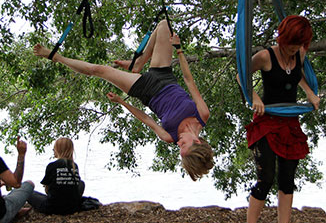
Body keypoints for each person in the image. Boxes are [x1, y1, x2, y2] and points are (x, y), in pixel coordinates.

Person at [33, 19, 213, 180]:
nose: (179, 143)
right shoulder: (202, 115)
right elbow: (189, 81)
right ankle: (139, 63)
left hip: (145, 88)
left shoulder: (170, 136)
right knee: (164, 24)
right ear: (196, 142)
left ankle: (55, 56)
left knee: (99, 70)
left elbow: (146, 118)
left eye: (179, 148)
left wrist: (122, 102)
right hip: (164, 75)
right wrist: (179, 49)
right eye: (183, 145)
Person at [241, 15, 320, 223]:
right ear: (282, 39)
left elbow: (298, 77)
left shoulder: (300, 54)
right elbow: (241, 74)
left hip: (289, 122)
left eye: (299, 45)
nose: (294, 49)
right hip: (266, 122)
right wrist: (253, 96)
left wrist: (310, 92)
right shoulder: (266, 56)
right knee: (266, 177)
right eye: (291, 45)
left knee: (287, 178)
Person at [27, 137, 85, 215]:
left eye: (54, 148)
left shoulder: (52, 166)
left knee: (27, 191)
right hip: (72, 208)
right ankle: (71, 202)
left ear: (57, 149)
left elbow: (47, 190)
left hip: (52, 208)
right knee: (81, 183)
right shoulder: (75, 166)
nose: (53, 151)